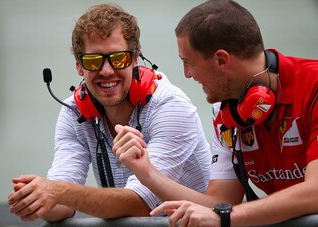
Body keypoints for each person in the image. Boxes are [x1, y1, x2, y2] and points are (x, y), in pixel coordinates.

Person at [115, 0, 318, 226]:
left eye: (188, 62)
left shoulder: (314, 85)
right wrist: (148, 174)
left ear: (221, 60)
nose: (187, 74)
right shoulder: (226, 111)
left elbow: (315, 192)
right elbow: (219, 202)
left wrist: (225, 218)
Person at [7, 3, 212, 222]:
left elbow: (141, 203)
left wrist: (58, 192)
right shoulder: (73, 113)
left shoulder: (171, 106)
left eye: (119, 59)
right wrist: (36, 199)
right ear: (79, 66)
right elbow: (59, 206)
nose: (106, 71)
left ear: (134, 60)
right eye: (93, 61)